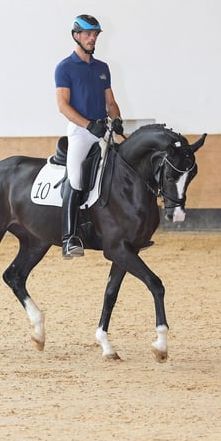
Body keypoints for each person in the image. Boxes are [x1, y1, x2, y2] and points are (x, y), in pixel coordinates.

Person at [55, 14, 124, 258]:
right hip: (81, 133)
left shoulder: (102, 68)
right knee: (75, 179)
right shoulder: (65, 67)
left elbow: (111, 102)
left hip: (103, 129)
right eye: (87, 34)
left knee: (125, 168)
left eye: (95, 35)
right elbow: (63, 106)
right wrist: (87, 125)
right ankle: (69, 237)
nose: (92, 38)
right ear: (76, 36)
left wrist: (116, 120)